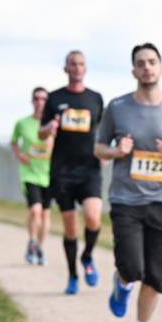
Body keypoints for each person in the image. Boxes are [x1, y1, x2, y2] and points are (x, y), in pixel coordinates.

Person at [95, 43, 162, 322]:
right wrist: (116, 151)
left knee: (157, 273)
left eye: (151, 62)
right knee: (133, 267)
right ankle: (122, 283)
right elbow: (99, 148)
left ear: (161, 67)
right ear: (133, 70)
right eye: (140, 63)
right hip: (126, 200)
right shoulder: (117, 107)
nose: (146, 67)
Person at [39, 51, 105, 294]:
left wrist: (105, 152)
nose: (77, 68)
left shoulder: (95, 98)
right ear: (65, 68)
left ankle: (87, 256)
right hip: (62, 171)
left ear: (85, 68)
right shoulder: (55, 98)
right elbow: (41, 133)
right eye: (72, 64)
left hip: (89, 169)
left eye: (81, 64)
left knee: (92, 217)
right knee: (71, 228)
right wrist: (49, 128)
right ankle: (73, 275)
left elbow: (103, 131)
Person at [11, 87, 54, 264]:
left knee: (45, 215)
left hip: (49, 174)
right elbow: (14, 142)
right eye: (36, 98)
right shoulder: (22, 123)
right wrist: (19, 154)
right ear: (32, 101)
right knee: (35, 210)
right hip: (29, 173)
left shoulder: (53, 124)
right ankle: (32, 241)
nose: (40, 102)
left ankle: (40, 248)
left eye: (43, 99)